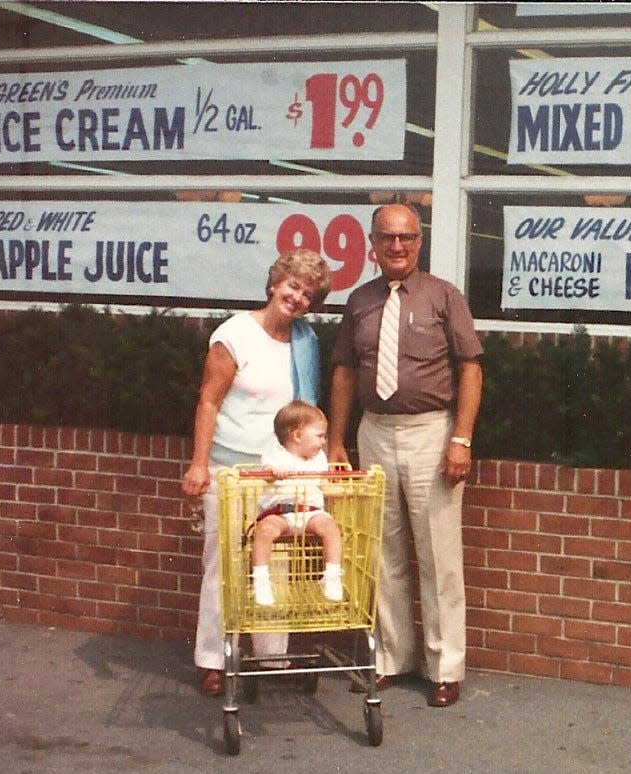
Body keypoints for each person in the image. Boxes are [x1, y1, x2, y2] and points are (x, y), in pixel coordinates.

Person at [328, 202, 483, 708]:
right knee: (382, 552)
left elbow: (471, 369)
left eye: (408, 237)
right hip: (375, 433)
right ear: (372, 244)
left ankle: (445, 667)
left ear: (420, 242)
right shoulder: (360, 301)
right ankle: (393, 659)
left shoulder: (444, 296)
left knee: (438, 556)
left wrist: (460, 439)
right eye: (388, 237)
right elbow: (346, 371)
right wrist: (336, 440)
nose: (398, 246)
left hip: (429, 434)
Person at [182, 248, 332, 698]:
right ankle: (211, 659)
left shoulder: (304, 343)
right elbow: (209, 400)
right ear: (274, 284)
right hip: (231, 468)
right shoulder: (235, 335)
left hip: (280, 474)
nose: (297, 297)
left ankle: (272, 656)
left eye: (307, 293)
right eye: (292, 285)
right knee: (224, 563)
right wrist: (198, 463)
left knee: (278, 563)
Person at [252, 401, 343, 606]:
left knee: (330, 527)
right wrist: (274, 472)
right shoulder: (275, 453)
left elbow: (325, 486)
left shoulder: (319, 458)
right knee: (265, 530)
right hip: (280, 512)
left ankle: (332, 575)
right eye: (319, 435)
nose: (323, 441)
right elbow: (267, 474)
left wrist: (351, 489)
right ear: (297, 435)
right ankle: (260, 579)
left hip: (310, 512)